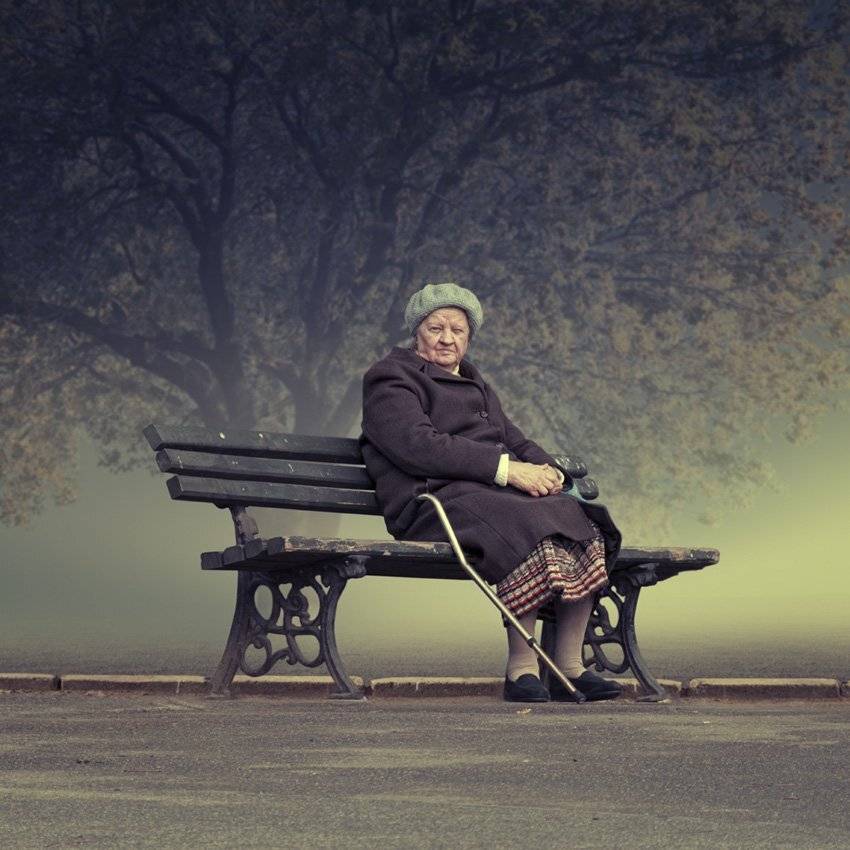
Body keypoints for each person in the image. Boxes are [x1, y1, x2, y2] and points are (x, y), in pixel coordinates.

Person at [359, 282, 623, 702]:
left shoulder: (476, 381)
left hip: (485, 495)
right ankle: (521, 670)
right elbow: (417, 446)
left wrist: (547, 471)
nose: (447, 338)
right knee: (528, 520)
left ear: (469, 336)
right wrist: (507, 471)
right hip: (432, 500)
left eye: (458, 330)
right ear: (417, 332)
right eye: (435, 328)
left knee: (578, 518)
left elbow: (512, 438)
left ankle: (570, 666)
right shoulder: (391, 378)